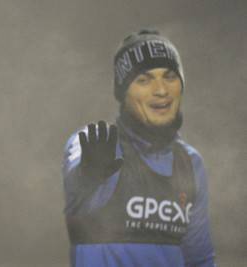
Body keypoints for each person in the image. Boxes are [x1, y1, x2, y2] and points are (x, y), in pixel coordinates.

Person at [62, 29, 216, 267]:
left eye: (170, 76)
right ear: (123, 92)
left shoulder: (190, 161)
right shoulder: (95, 144)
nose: (161, 90)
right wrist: (87, 176)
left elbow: (199, 259)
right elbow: (77, 191)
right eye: (143, 79)